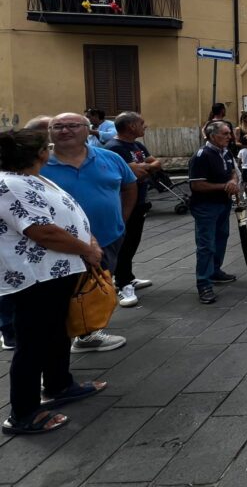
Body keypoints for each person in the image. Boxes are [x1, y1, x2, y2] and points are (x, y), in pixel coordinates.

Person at [0, 128, 107, 436]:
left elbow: (60, 216)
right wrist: (87, 248)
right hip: (35, 275)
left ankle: (59, 384)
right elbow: (40, 230)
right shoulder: (9, 184)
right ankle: (23, 413)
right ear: (40, 154)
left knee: (55, 331)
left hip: (55, 271)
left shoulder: (28, 177)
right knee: (32, 342)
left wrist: (88, 239)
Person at [43, 112, 135, 353]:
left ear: (87, 130)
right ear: (50, 132)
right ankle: (62, 345)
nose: (65, 130)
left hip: (108, 237)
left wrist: (122, 219)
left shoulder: (111, 158)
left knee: (96, 288)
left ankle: (87, 333)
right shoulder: (39, 164)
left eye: (72, 125)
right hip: (59, 244)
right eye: (58, 126)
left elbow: (129, 186)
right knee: (63, 296)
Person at [105, 112, 160, 308]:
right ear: (130, 127)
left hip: (140, 201)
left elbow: (156, 163)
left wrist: (143, 167)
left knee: (133, 241)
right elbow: (133, 172)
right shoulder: (114, 148)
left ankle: (127, 276)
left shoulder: (137, 145)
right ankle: (122, 284)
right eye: (141, 123)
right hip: (125, 204)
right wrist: (143, 168)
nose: (145, 126)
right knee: (124, 243)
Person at [188, 120, 240, 304]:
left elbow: (232, 171)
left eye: (229, 133)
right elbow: (197, 185)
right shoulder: (202, 155)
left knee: (221, 238)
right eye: (225, 134)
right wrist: (224, 186)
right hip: (206, 206)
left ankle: (215, 271)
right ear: (212, 136)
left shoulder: (225, 151)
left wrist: (233, 181)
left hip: (222, 203)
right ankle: (204, 283)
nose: (229, 137)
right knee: (206, 244)